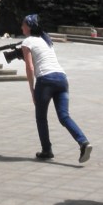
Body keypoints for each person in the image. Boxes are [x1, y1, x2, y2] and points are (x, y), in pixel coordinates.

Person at [21, 13, 92, 163]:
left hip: (45, 80)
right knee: (64, 116)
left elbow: (29, 67)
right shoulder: (46, 39)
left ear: (28, 26)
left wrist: (32, 90)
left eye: (23, 24)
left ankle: (46, 150)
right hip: (62, 78)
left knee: (41, 117)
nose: (21, 27)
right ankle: (83, 142)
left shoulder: (27, 42)